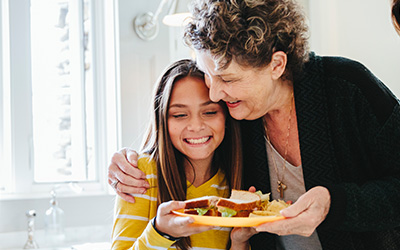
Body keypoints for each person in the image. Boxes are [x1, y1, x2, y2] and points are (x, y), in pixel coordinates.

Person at [109, 0, 400, 249]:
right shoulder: (235, 114)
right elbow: (188, 145)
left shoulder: (348, 87)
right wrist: (128, 161)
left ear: (277, 65)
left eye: (229, 79)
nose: (214, 94)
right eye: (208, 76)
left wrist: (333, 203)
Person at [111, 59, 246, 250]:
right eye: (180, 115)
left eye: (209, 112)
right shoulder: (140, 174)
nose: (196, 126)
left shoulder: (234, 184)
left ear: (226, 117)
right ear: (163, 121)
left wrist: (240, 242)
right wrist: (160, 232)